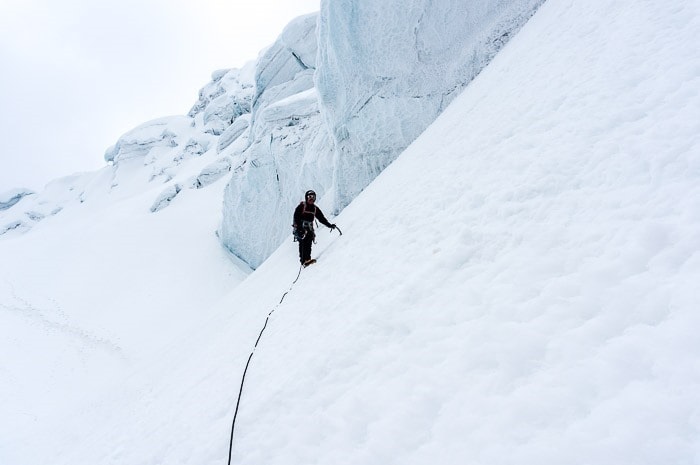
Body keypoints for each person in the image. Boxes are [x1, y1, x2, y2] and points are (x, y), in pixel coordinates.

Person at [293, 190, 336, 266]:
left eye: (313, 197)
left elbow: (321, 218)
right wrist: (299, 229)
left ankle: (307, 260)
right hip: (300, 228)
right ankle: (303, 261)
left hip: (309, 229)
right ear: (306, 197)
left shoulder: (315, 209)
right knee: (303, 243)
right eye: (309, 197)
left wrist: (329, 225)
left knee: (308, 243)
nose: (311, 198)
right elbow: (296, 217)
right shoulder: (301, 206)